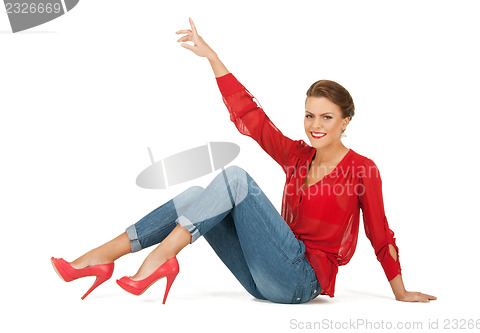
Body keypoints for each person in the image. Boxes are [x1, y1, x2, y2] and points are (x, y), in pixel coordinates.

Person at [51, 17, 437, 304]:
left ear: (345, 121)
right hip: (261, 278)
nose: (315, 125)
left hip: (301, 281)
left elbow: (380, 232)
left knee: (234, 177)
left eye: (326, 117)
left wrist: (399, 291)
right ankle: (99, 258)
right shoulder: (297, 156)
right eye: (309, 115)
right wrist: (213, 58)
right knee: (195, 196)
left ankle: (161, 258)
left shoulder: (362, 169)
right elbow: (253, 119)